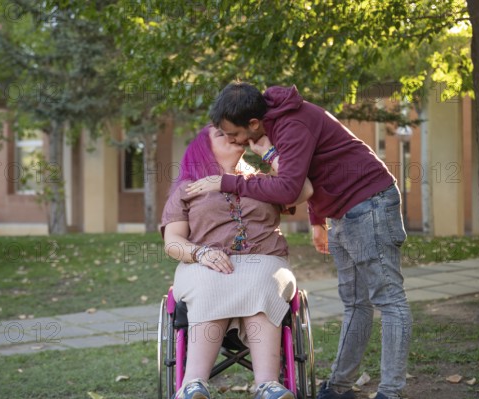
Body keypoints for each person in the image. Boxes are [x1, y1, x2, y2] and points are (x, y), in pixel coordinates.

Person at [187, 82, 413, 399]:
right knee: (356, 303)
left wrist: (228, 182)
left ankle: (390, 391)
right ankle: (339, 387)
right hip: (343, 211)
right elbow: (311, 173)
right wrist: (318, 220)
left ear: (253, 123)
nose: (233, 140)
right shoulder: (271, 128)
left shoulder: (291, 126)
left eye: (234, 133)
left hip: (370, 203)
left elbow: (289, 188)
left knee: (388, 300)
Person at [162, 124, 313, 399]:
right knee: (209, 279)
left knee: (262, 278)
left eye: (235, 132)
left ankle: (267, 384)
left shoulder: (262, 181)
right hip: (205, 264)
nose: (233, 136)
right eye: (222, 134)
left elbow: (303, 190)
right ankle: (192, 384)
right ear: (204, 149)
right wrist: (201, 253)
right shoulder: (188, 188)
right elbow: (173, 241)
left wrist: (268, 151)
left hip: (265, 263)